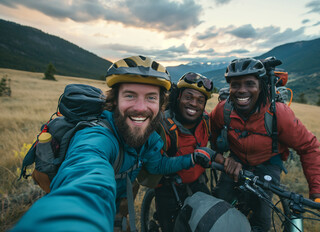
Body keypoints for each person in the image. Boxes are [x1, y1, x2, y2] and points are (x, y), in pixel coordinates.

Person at [11, 56, 215, 232]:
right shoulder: (98, 136)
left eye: (151, 98)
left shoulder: (151, 137)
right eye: (130, 96)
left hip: (119, 205)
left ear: (160, 105)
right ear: (113, 101)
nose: (141, 108)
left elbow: (157, 165)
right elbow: (86, 179)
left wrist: (191, 158)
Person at [210, 58, 320, 231]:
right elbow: (211, 133)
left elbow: (309, 147)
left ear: (261, 86)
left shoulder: (279, 114)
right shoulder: (223, 110)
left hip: (269, 163)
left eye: (249, 84)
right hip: (236, 160)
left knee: (261, 219)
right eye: (235, 84)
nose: (241, 90)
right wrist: (221, 159)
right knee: (217, 206)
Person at [153, 72, 215, 232]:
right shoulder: (162, 126)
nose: (194, 104)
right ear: (178, 97)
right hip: (168, 187)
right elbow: (157, 166)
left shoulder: (206, 120)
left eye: (200, 100)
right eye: (189, 97)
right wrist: (192, 158)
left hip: (198, 182)